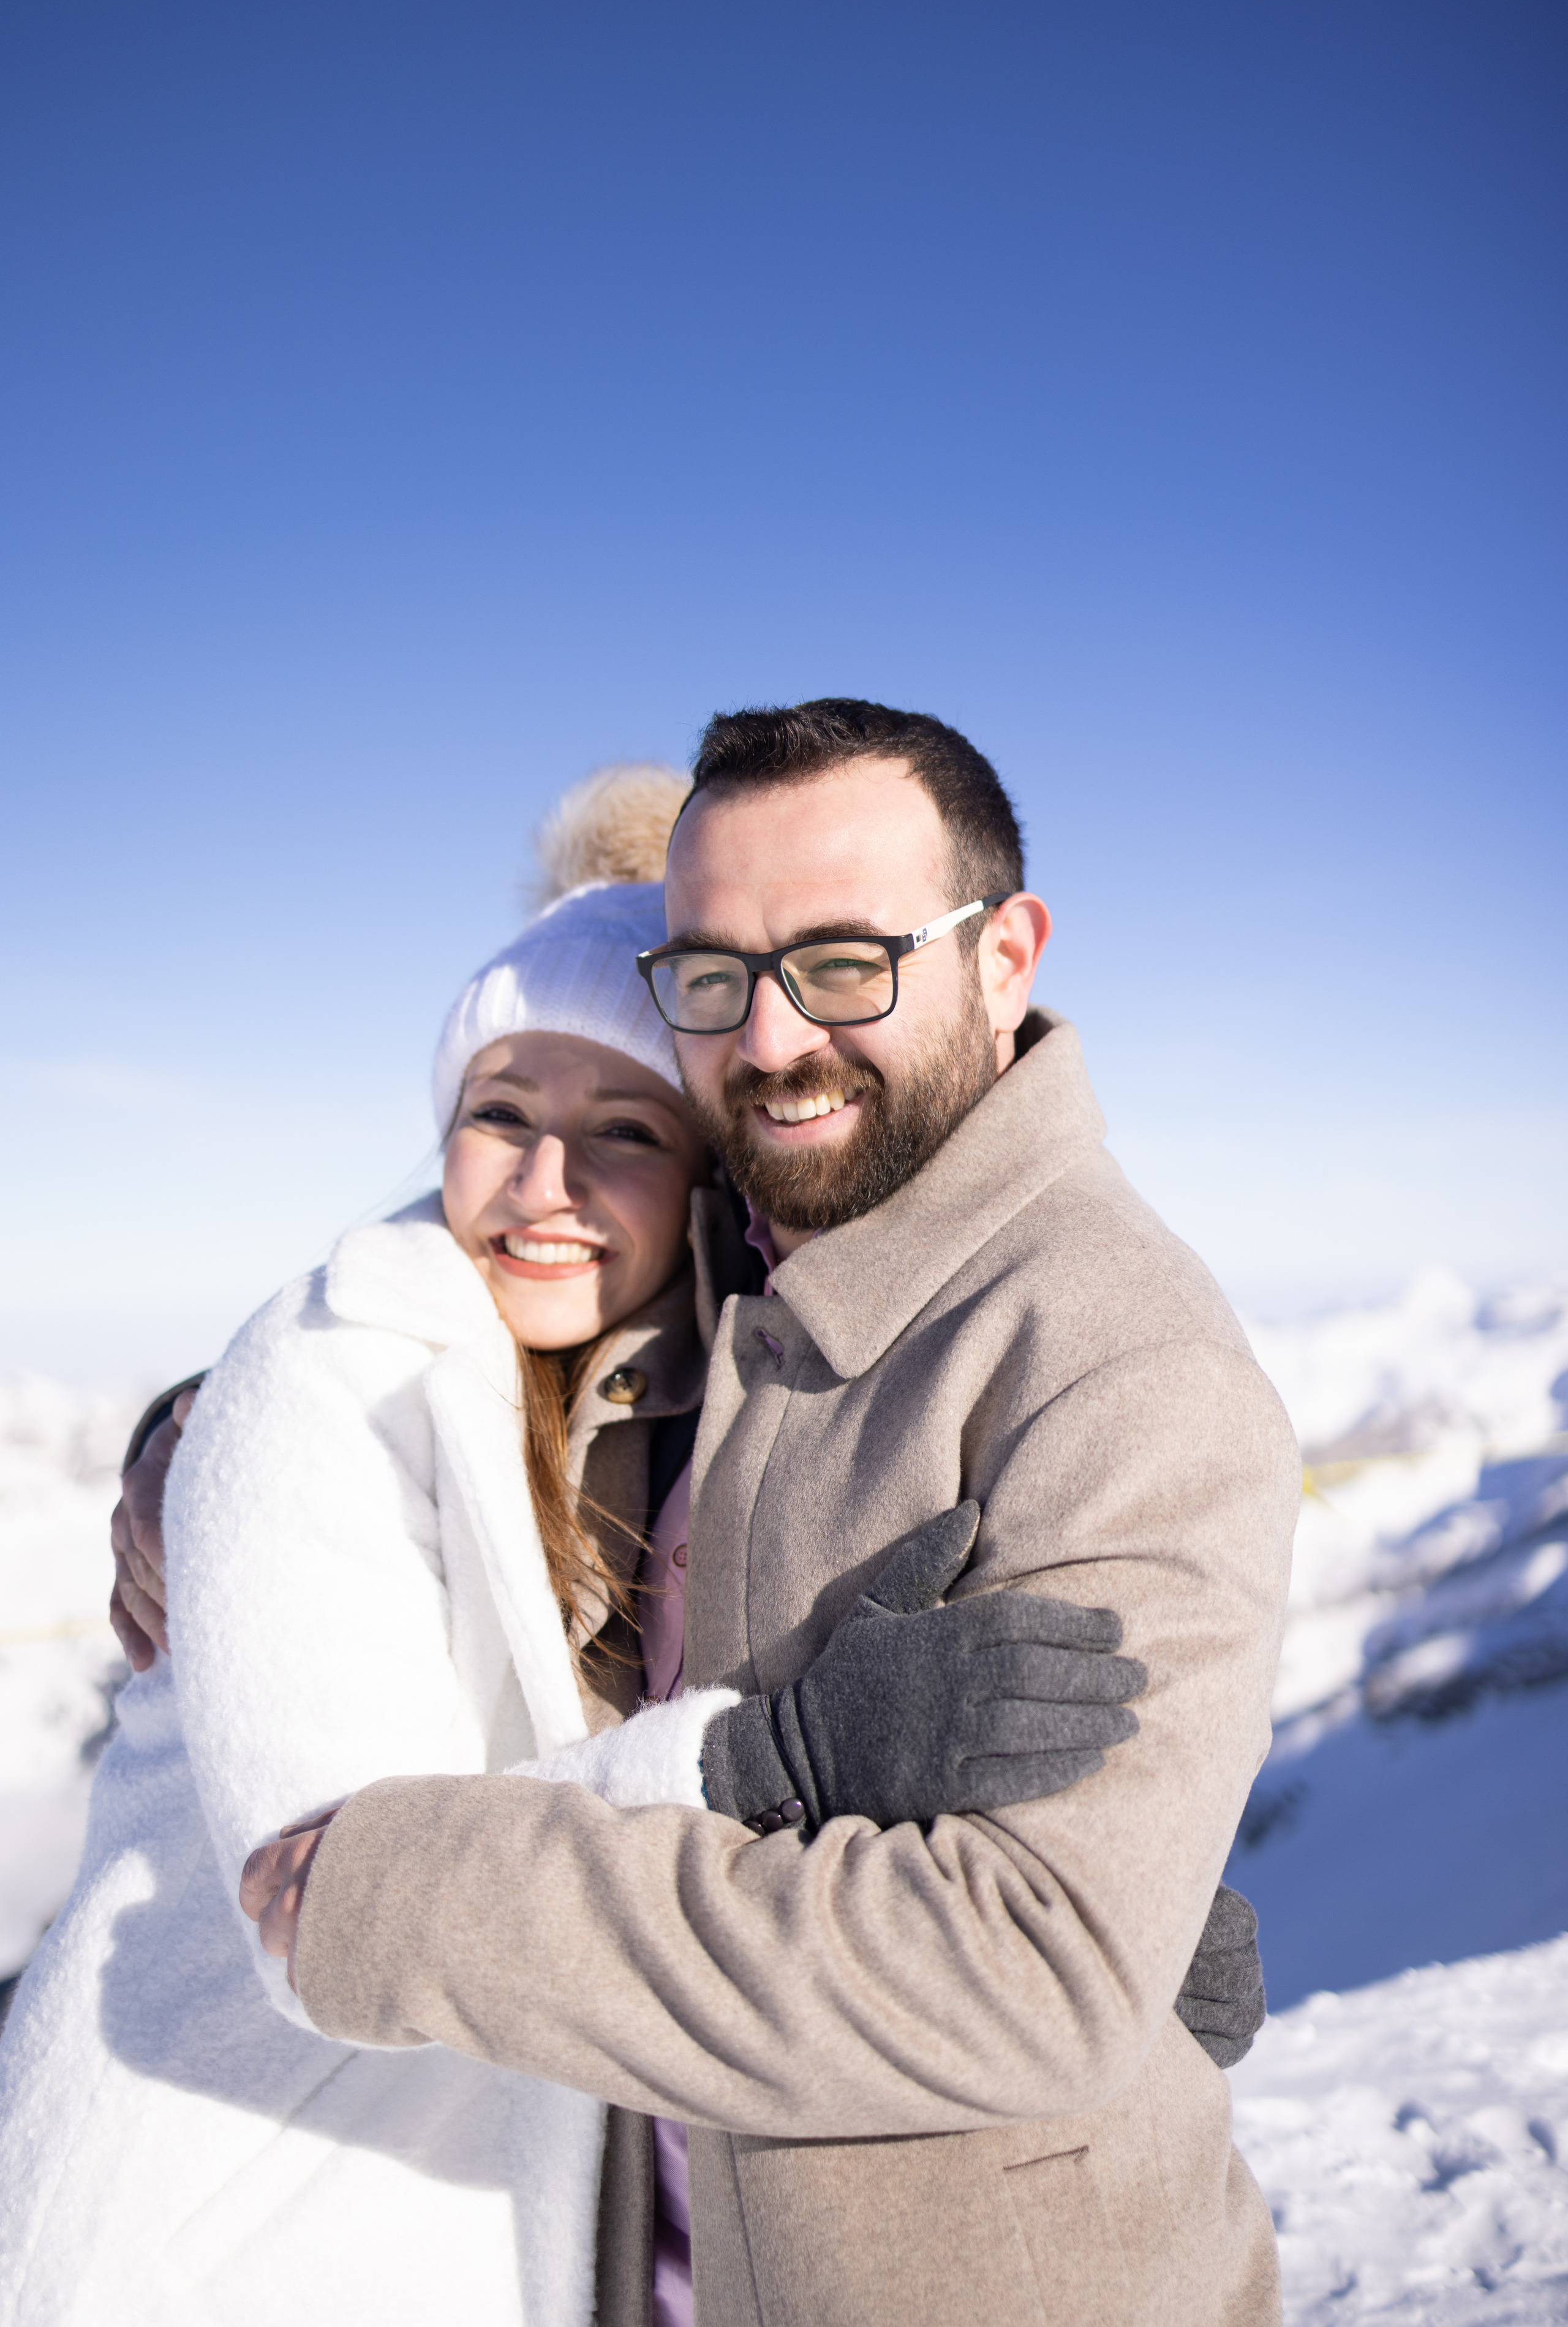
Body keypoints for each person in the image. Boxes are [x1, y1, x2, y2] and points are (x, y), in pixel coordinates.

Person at [0, 766, 1176, 2327]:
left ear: (702, 1189)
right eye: (500, 1111)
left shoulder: (678, 1400)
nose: (545, 1183)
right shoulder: (324, 1379)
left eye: (624, 1128)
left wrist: (1108, 1905)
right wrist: (766, 1760)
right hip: (211, 2208)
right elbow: (329, 1887)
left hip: (466, 2207)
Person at [241, 699, 1299, 2327]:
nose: (772, 1037)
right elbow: (525, 1203)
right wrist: (225, 1412)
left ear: (1003, 957)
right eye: (713, 975)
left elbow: (1024, 1969)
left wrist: (418, 1894)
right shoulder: (754, 1236)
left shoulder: (1116, 1360)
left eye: (845, 962)